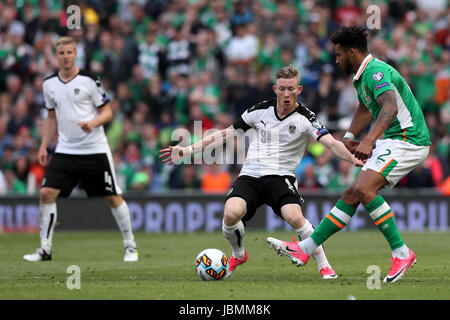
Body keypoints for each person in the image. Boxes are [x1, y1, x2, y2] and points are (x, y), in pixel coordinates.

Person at [159, 64, 364, 279]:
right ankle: (238, 254)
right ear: (275, 89)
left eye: (291, 89)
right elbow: (225, 134)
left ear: (299, 90)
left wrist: (352, 158)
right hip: (251, 175)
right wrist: (188, 151)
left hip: (281, 176)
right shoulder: (259, 111)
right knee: (230, 213)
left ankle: (325, 266)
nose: (286, 94)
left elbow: (331, 143)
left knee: (294, 216)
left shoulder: (306, 117)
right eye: (282, 88)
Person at [266, 26, 431, 283]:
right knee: (353, 193)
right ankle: (305, 249)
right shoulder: (362, 76)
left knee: (364, 190)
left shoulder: (376, 72)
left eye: (339, 54)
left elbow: (389, 108)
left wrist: (368, 140)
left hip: (408, 140)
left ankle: (402, 252)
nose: (336, 59)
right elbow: (366, 108)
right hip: (395, 140)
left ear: (352, 52)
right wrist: (350, 137)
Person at [23, 37, 138, 262]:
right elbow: (51, 117)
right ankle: (45, 249)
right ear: (56, 56)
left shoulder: (89, 79)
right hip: (66, 150)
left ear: (76, 54)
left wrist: (92, 123)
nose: (65, 56)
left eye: (69, 52)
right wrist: (44, 145)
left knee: (113, 197)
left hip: (94, 148)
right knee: (46, 193)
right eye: (61, 53)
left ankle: (130, 246)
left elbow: (107, 112)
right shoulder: (49, 84)